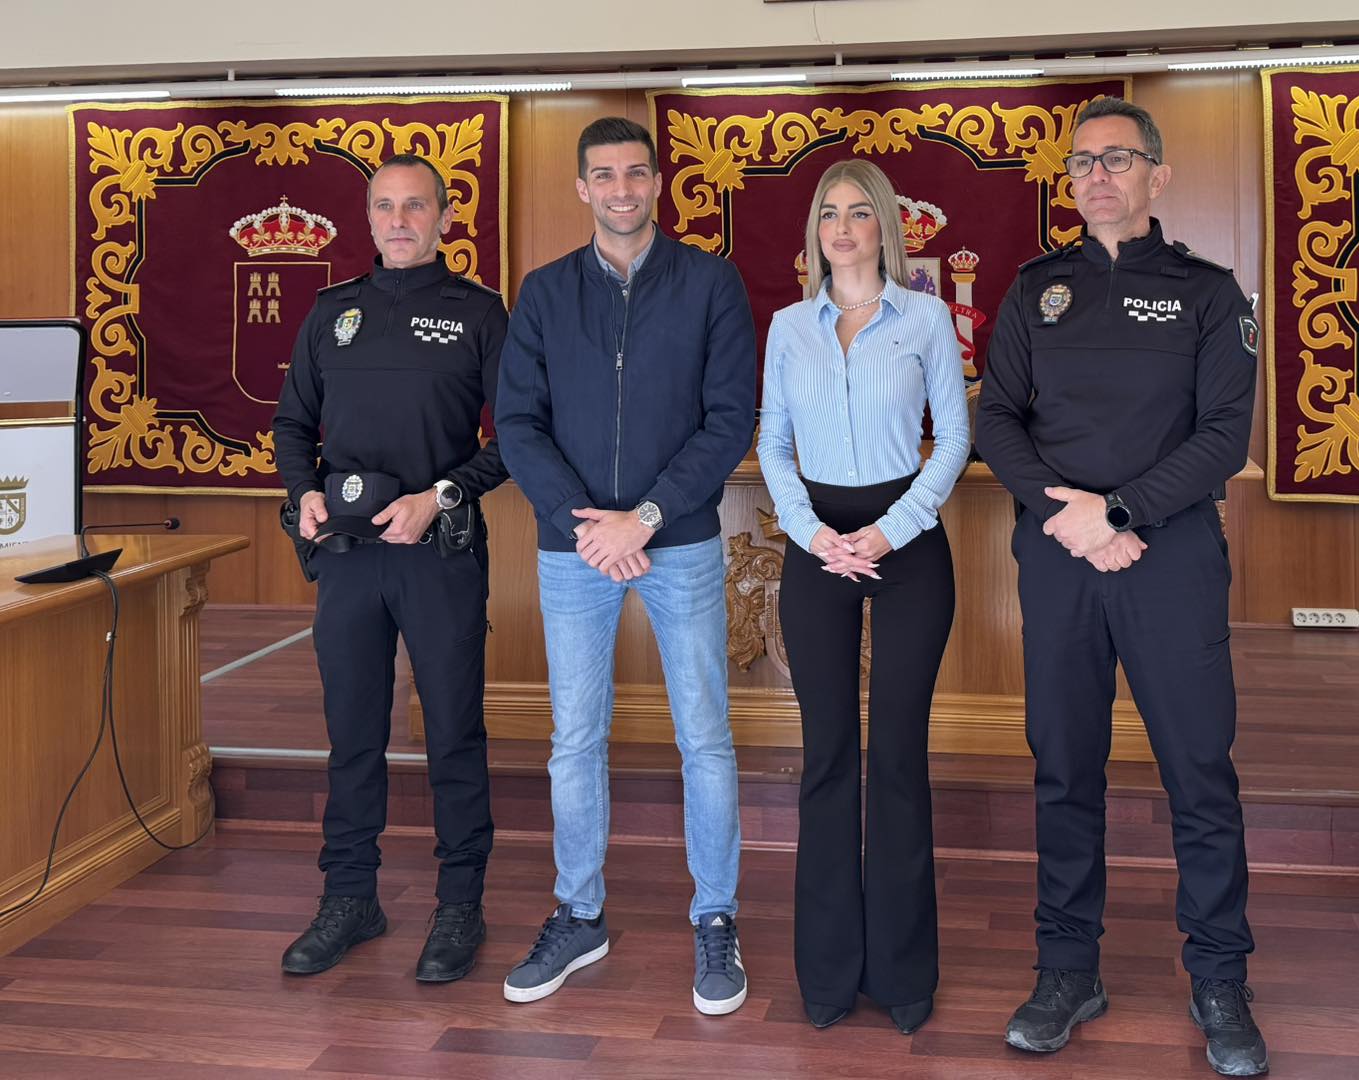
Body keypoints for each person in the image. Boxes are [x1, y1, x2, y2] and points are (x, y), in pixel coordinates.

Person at [976, 97, 1267, 1076]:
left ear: (1157, 176)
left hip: (1170, 558)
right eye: (1082, 163)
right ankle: (1068, 969)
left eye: (1117, 159)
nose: (1096, 176)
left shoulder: (1209, 294)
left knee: (1199, 771)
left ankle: (1220, 977)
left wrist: (1122, 512)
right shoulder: (1035, 290)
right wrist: (1071, 518)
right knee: (1065, 768)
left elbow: (1224, 436)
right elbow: (997, 419)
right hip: (1061, 556)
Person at [494, 116, 756, 1015]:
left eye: (636, 173)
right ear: (582, 188)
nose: (621, 189)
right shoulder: (544, 292)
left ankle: (715, 917)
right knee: (575, 740)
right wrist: (588, 525)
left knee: (704, 738)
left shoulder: (711, 283)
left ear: (658, 183)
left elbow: (729, 418)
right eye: (603, 175)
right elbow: (518, 423)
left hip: (677, 540)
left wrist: (642, 517)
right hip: (575, 550)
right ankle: (579, 914)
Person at [271, 153, 508, 984]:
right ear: (367, 218)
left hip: (438, 557)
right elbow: (292, 424)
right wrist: (303, 492)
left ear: (445, 217)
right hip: (346, 561)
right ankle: (350, 898)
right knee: (353, 736)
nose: (399, 220)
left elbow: (517, 436)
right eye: (385, 206)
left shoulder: (479, 313)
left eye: (415, 206)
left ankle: (460, 905)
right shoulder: (330, 312)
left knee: (453, 735)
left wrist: (438, 497)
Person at [757, 159, 969, 1036]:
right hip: (817, 545)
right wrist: (814, 535)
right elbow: (773, 444)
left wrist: (891, 529)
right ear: (815, 231)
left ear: (885, 225)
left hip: (906, 543)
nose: (841, 229)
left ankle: (904, 972)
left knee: (898, 756)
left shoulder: (924, 318)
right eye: (828, 214)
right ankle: (829, 971)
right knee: (829, 755)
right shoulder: (787, 327)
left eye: (857, 213)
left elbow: (952, 440)